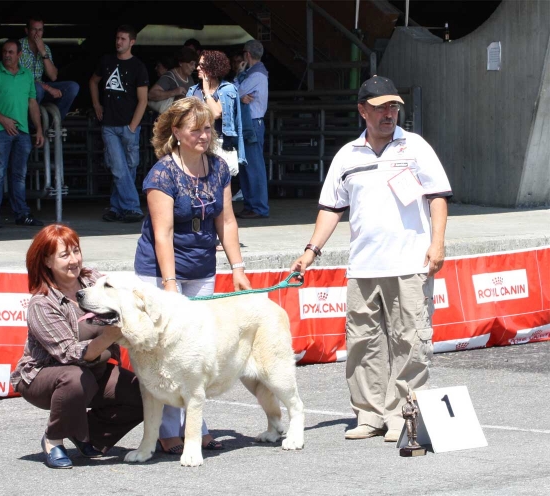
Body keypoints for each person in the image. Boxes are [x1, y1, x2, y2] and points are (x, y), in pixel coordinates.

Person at [290, 75, 452, 443]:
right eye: (380, 108)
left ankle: (402, 416)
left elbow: (438, 196)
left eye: (394, 107)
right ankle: (369, 414)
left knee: (410, 342)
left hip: (410, 264)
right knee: (363, 342)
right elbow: (331, 208)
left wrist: (438, 243)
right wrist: (310, 251)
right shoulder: (347, 156)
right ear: (363, 111)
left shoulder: (416, 146)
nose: (389, 114)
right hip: (363, 267)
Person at [133, 97, 251, 454]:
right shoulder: (161, 175)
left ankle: (195, 423)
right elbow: (163, 233)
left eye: (208, 128)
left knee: (196, 351)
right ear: (177, 132)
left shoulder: (217, 168)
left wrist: (238, 268)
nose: (204, 135)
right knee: (166, 352)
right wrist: (170, 286)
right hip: (160, 272)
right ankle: (168, 429)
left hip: (202, 267)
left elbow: (226, 220)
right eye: (196, 129)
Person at [10, 224, 144, 469]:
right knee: (75, 376)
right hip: (45, 376)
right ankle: (53, 439)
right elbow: (69, 354)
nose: (73, 260)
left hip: (95, 371)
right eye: (64, 255)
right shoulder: (41, 303)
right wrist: (109, 336)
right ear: (47, 262)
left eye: (76, 251)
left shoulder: (93, 280)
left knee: (143, 392)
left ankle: (87, 434)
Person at [0, 39, 45, 229]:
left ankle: (21, 214)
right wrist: (2, 119)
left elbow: (32, 103)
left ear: (19, 55)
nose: (7, 55)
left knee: (19, 175)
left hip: (22, 130)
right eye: (5, 52)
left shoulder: (26, 76)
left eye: (11, 52)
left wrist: (38, 129)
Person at [89, 25, 149, 223]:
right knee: (119, 168)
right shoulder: (106, 61)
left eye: (123, 39)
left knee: (127, 168)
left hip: (129, 125)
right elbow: (93, 81)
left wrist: (133, 125)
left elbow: (143, 100)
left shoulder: (138, 66)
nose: (118, 42)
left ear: (132, 42)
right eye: (117, 38)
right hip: (109, 125)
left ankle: (116, 207)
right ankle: (132, 207)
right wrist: (96, 103)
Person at [187, 50, 246, 251]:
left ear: (211, 69)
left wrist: (205, 89)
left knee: (220, 196)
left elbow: (216, 112)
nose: (197, 68)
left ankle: (223, 238)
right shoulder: (192, 90)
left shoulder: (227, 89)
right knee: (199, 194)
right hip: (196, 147)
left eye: (201, 65)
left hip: (219, 145)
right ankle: (205, 236)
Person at [233, 39, 270, 219]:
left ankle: (258, 207)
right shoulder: (254, 73)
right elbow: (239, 93)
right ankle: (251, 205)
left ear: (247, 54)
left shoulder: (256, 75)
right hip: (252, 123)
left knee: (253, 166)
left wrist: (238, 75)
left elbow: (234, 92)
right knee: (247, 166)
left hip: (253, 123)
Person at [19, 16, 80, 122]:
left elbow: (53, 76)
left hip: (41, 90)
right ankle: (32, 124)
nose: (37, 33)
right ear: (27, 30)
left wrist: (43, 52)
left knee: (72, 87)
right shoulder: (18, 47)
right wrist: (48, 88)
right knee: (37, 88)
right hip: (23, 90)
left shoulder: (45, 48)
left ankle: (52, 123)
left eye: (40, 30)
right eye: (34, 29)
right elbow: (21, 77)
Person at [148, 46, 197, 111]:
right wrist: (174, 92)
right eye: (191, 64)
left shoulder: (189, 78)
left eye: (195, 64)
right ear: (181, 63)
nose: (194, 67)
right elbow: (151, 94)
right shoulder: (169, 77)